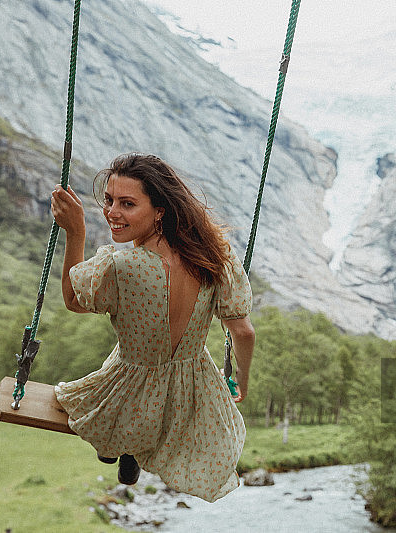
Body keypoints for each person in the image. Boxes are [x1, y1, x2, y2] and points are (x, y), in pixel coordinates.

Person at [50, 153, 255, 502]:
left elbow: (72, 299)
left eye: (127, 204)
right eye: (110, 201)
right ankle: (128, 449)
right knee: (146, 367)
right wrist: (240, 381)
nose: (113, 212)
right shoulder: (212, 253)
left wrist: (76, 231)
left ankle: (120, 444)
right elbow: (244, 332)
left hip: (131, 384)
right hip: (192, 387)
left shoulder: (122, 267)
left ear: (159, 211)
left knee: (117, 386)